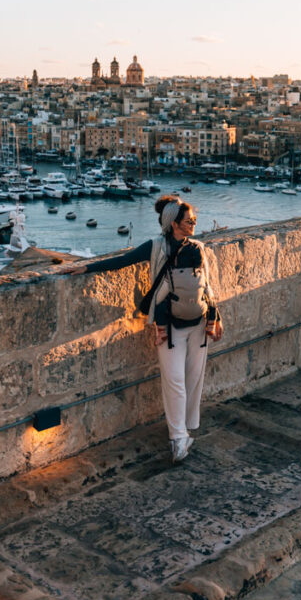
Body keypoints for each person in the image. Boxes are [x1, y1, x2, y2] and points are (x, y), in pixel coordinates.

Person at [57, 195, 223, 463]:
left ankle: (189, 425)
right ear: (173, 223)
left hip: (199, 321)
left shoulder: (199, 248)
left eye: (194, 219)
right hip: (167, 324)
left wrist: (216, 316)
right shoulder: (156, 246)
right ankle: (178, 437)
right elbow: (123, 260)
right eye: (188, 220)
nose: (193, 223)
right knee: (174, 381)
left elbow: (208, 284)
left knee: (194, 378)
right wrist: (87, 267)